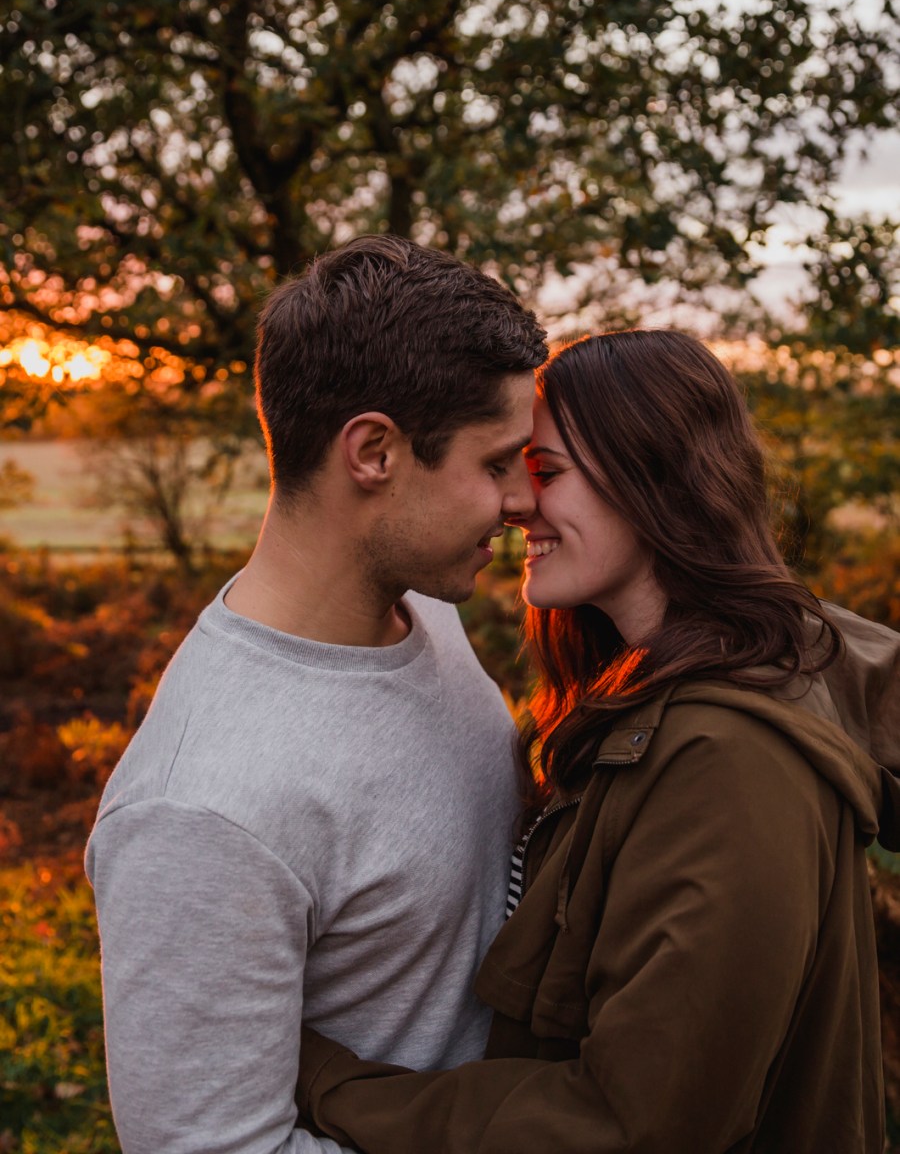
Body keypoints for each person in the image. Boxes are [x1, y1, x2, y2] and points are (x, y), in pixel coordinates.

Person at [296, 329, 900, 1153]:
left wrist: (328, 1082)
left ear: (658, 480)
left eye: (546, 472)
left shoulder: (723, 761)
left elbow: (633, 1125)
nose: (516, 505)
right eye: (508, 468)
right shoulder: (750, 653)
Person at [85, 235, 548, 1153]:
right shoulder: (200, 812)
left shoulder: (424, 611)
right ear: (374, 451)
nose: (521, 500)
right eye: (496, 463)